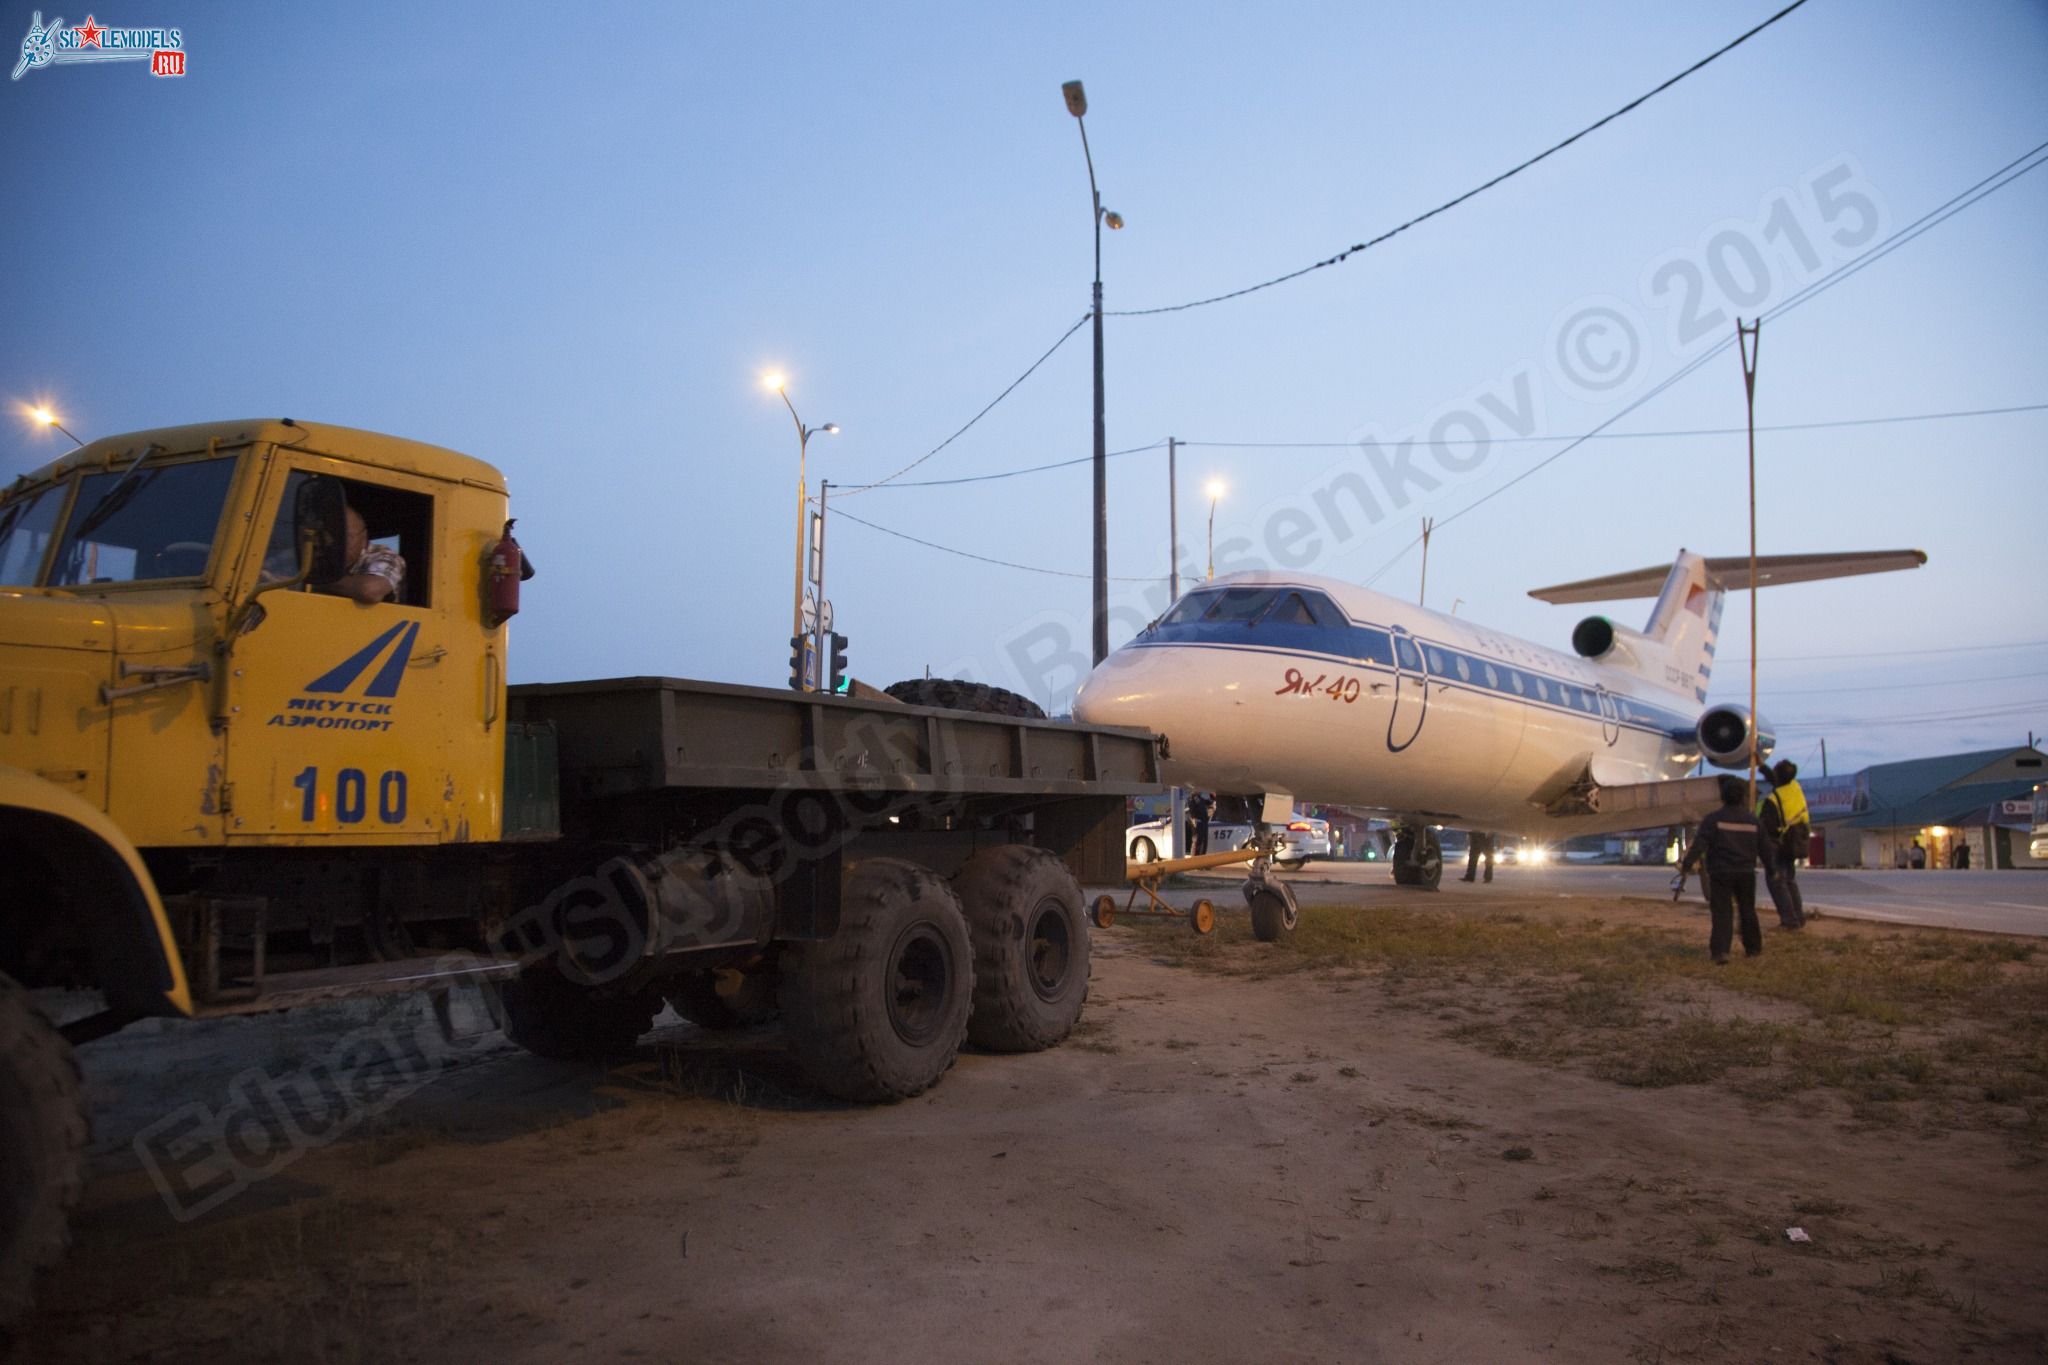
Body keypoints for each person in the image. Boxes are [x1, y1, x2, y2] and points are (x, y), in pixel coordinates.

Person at [1679, 775, 1770, 964]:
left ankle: (1721, 951)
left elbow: (1700, 844)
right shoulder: (1753, 821)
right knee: (1747, 910)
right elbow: (1765, 848)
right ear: (1742, 797)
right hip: (1746, 873)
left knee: (1722, 912)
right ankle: (1753, 948)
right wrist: (1773, 868)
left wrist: (1687, 864)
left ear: (1723, 796)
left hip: (1720, 872)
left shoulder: (1713, 820)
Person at [1757, 760, 1808, 930]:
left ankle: (1789, 921)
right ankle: (1798, 917)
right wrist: (1762, 766)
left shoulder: (1773, 800)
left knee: (1777, 882)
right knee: (1790, 880)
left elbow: (1766, 827)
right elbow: (1776, 780)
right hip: (1795, 841)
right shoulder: (1794, 787)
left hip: (1779, 844)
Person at [321, 506, 405, 605]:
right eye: (332, 535)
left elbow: (369, 590)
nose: (338, 542)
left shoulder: (387, 557)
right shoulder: (318, 556)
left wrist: (319, 582)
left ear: (364, 538)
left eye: (347, 536)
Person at [1188, 791, 1215, 856]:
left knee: (1204, 842)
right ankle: (1194, 860)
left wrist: (1213, 796)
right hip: (1198, 822)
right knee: (1197, 842)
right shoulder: (1192, 799)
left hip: (1204, 822)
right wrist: (1194, 819)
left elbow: (1208, 802)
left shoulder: (1200, 799)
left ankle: (1202, 860)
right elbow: (1192, 810)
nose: (1200, 791)